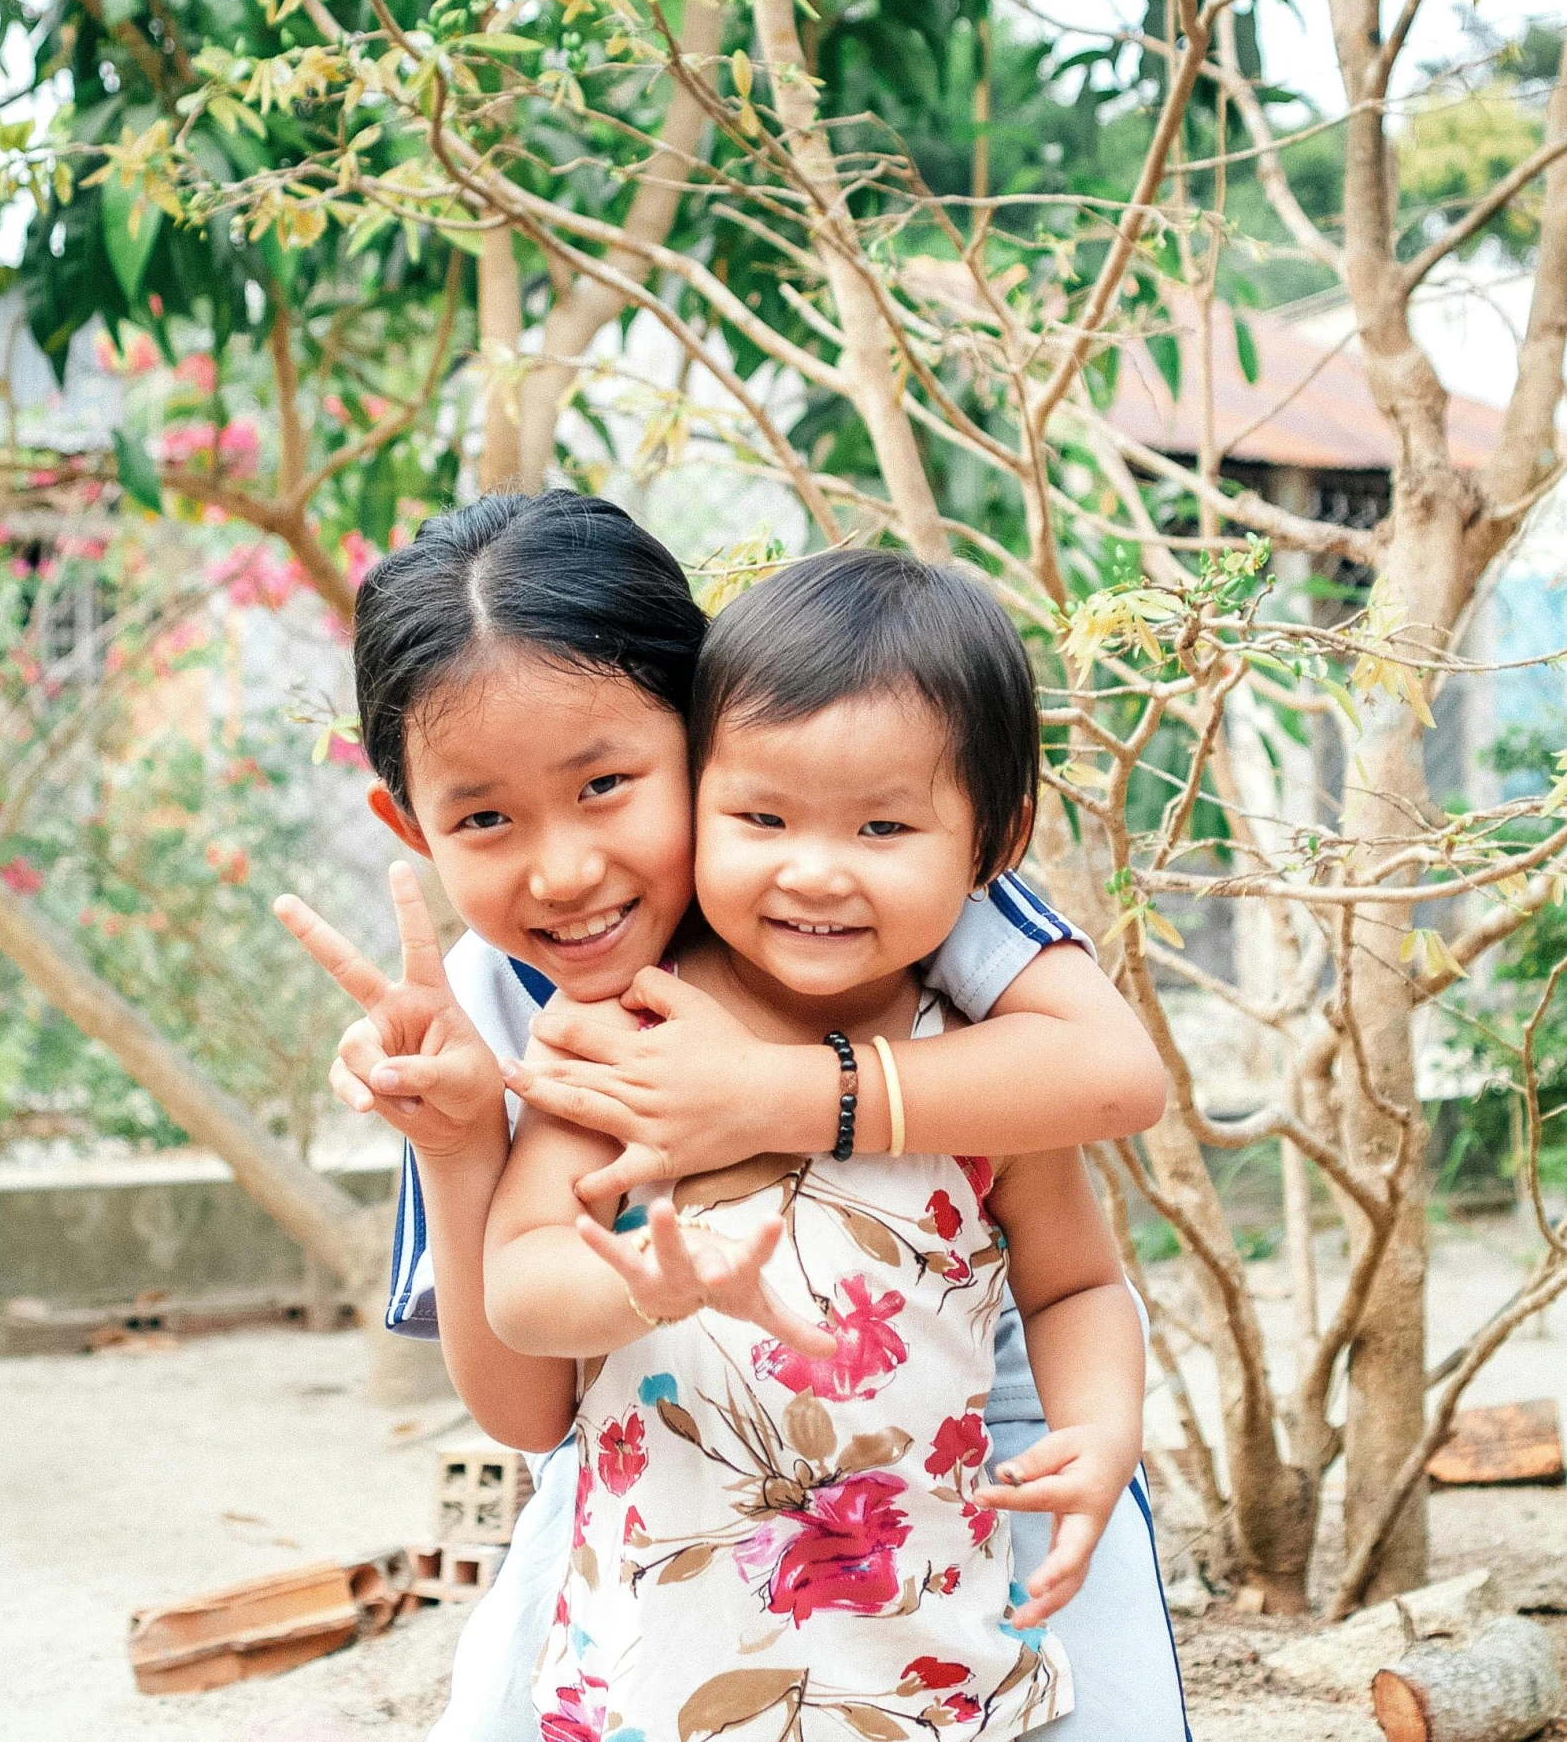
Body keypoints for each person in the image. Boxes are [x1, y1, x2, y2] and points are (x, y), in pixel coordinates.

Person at [275, 492, 1189, 1741]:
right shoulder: (497, 1012)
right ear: (413, 826)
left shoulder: (893, 877)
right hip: (656, 1467)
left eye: (606, 783)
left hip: (983, 1439)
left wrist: (770, 1096)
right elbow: (530, 1403)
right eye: (482, 816)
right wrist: (458, 1142)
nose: (564, 872)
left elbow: (1113, 1081)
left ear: (703, 740)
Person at [486, 546, 1149, 1736]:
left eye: (884, 825)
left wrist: (1100, 1432)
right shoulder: (618, 1033)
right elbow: (520, 1290)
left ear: (993, 838)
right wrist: (639, 1286)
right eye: (759, 815)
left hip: (928, 1664)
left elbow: (1078, 1285)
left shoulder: (981, 1077)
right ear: (696, 801)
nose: (813, 869)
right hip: (661, 1671)